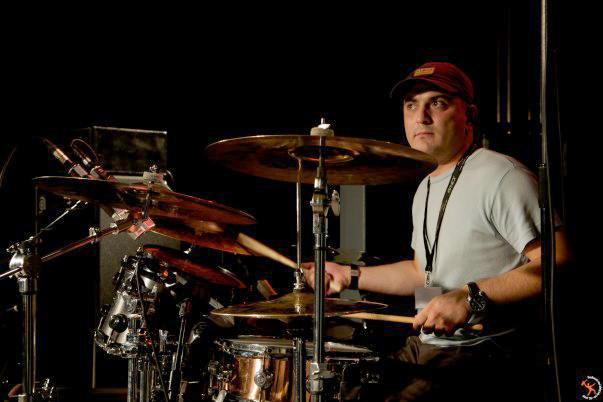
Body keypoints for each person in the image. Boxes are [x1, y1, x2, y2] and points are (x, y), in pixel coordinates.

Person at [303, 62, 569, 401]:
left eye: (437, 103)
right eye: (411, 105)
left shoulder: (502, 176)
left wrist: (470, 296)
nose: (421, 117)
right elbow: (422, 274)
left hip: (484, 350)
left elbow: (558, 261)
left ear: (469, 114)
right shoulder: (427, 186)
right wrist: (350, 275)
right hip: (430, 344)